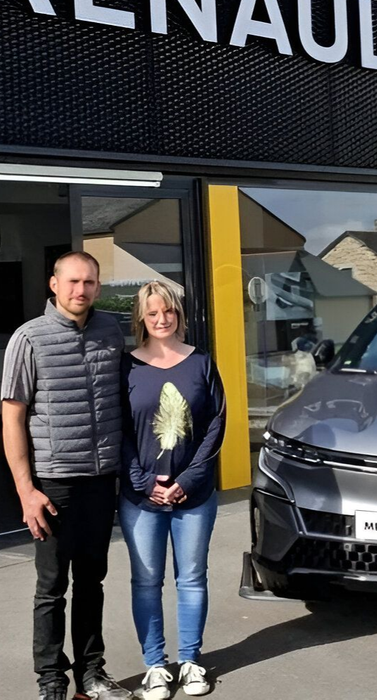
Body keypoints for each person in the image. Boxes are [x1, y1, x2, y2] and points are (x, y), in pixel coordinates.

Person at [1, 250, 132, 700]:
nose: (81, 290)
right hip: (53, 483)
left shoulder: (111, 331)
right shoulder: (28, 339)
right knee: (52, 587)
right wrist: (26, 490)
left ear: (98, 286)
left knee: (92, 582)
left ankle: (92, 675)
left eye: (90, 282)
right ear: (53, 285)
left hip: (101, 480)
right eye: (73, 281)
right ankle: (52, 680)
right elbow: (12, 417)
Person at [119, 280, 226, 699]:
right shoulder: (127, 366)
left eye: (169, 312)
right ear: (141, 319)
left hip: (193, 496)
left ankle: (191, 661)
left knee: (192, 579)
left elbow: (216, 424)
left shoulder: (200, 362)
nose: (162, 319)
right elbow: (119, 432)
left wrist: (187, 481)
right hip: (140, 498)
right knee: (145, 581)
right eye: (152, 313)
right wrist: (146, 482)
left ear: (179, 315)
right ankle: (155, 666)